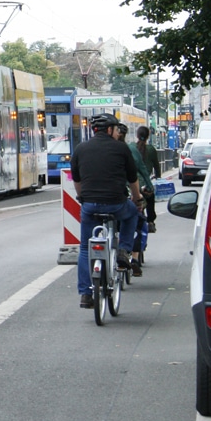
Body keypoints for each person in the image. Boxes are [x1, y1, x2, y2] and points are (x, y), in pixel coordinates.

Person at [71, 113, 143, 309]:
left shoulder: (80, 149)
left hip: (90, 206)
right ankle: (124, 250)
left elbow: (77, 180)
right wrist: (137, 199)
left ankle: (85, 294)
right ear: (110, 130)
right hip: (116, 204)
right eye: (116, 129)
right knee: (132, 214)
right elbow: (132, 178)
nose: (118, 133)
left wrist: (82, 198)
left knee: (85, 248)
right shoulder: (121, 148)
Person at [115, 123, 150, 276]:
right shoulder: (128, 150)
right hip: (122, 197)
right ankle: (133, 257)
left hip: (94, 200)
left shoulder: (96, 149)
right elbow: (135, 175)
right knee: (137, 219)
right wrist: (138, 198)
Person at [136, 126, 161, 232]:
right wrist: (158, 175)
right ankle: (150, 221)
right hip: (146, 183)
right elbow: (156, 166)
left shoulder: (132, 148)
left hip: (133, 182)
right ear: (148, 136)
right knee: (150, 198)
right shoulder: (151, 149)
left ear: (137, 135)